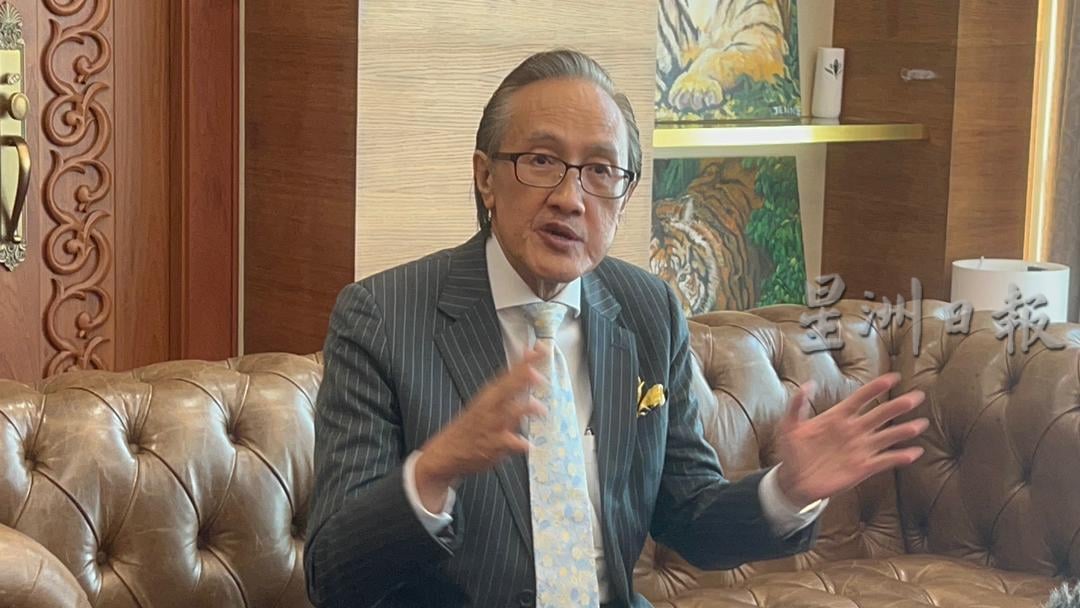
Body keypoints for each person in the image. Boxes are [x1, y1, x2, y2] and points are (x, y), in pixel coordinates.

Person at [303, 49, 928, 608]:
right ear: (486, 178)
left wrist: (787, 490)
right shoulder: (382, 317)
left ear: (625, 200)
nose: (571, 198)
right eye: (542, 161)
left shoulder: (647, 309)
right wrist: (433, 472)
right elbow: (332, 576)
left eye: (601, 171)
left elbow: (689, 516)